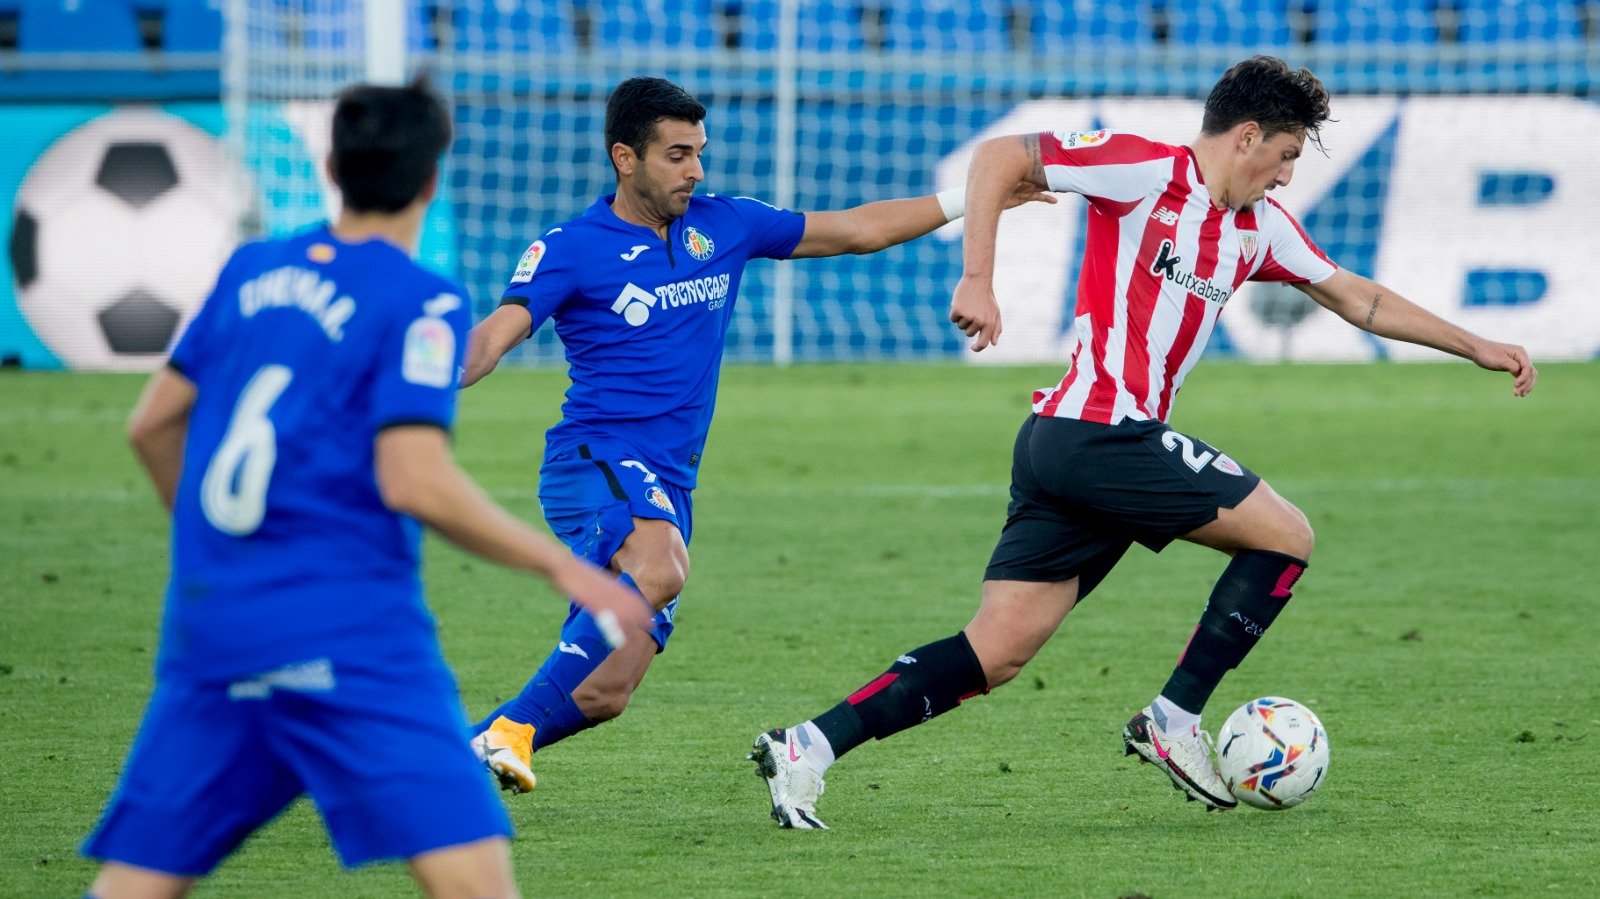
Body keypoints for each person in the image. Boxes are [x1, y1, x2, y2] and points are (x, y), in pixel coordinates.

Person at [749, 55, 1538, 829]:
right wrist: (978, 277)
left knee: (996, 651)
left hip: (1076, 447)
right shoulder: (1144, 168)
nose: (1288, 176)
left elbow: (1355, 296)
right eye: (1287, 156)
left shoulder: (1257, 229)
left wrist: (1475, 345)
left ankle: (808, 745)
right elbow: (999, 157)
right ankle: (1175, 715)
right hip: (1097, 430)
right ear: (1248, 135)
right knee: (1285, 536)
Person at [81, 78, 651, 898]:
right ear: (429, 181)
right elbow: (413, 477)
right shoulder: (416, 301)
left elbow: (150, 427)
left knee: (138, 880)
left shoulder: (248, 272)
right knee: (478, 881)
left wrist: (221, 548)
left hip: (218, 625)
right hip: (354, 635)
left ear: (329, 164)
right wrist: (564, 567)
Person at [463, 76, 1049, 794]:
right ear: (625, 157)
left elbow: (857, 229)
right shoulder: (571, 248)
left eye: (699, 153)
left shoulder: (725, 224)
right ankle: (511, 730)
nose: (696, 170)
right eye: (677, 155)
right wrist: (415, 382)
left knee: (604, 691)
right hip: (595, 459)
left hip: (671, 481)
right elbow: (497, 332)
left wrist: (974, 199)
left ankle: (445, 763)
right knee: (661, 566)